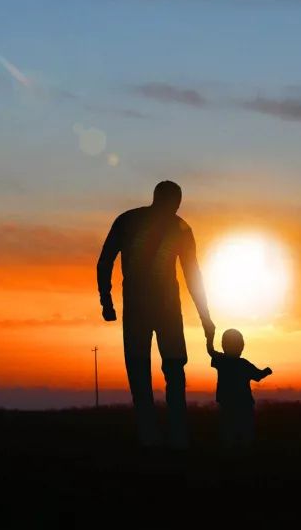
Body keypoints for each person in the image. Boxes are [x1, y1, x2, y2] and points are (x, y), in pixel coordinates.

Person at [97, 180, 216, 448]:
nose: (176, 208)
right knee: (157, 373)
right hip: (157, 310)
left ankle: (165, 436)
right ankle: (165, 436)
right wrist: (106, 301)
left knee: (159, 372)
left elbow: (192, 274)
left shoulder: (136, 221)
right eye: (175, 202)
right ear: (169, 200)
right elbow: (193, 275)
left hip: (156, 310)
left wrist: (205, 316)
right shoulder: (173, 226)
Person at [207, 328, 272, 450]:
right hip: (243, 404)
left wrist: (209, 336)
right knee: (243, 433)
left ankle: (232, 453)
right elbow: (258, 375)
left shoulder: (222, 360)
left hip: (228, 403)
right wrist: (266, 372)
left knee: (228, 432)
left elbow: (210, 351)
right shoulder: (243, 364)